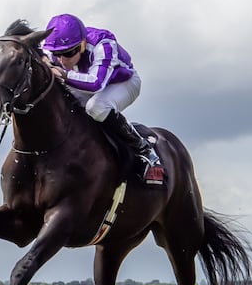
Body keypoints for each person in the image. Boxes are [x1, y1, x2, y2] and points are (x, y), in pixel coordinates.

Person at [42, 13, 164, 186]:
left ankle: (143, 150)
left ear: (82, 44)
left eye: (68, 53)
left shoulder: (103, 44)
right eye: (57, 54)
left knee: (96, 107)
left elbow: (96, 84)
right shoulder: (51, 45)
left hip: (122, 83)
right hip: (82, 81)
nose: (61, 60)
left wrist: (63, 74)